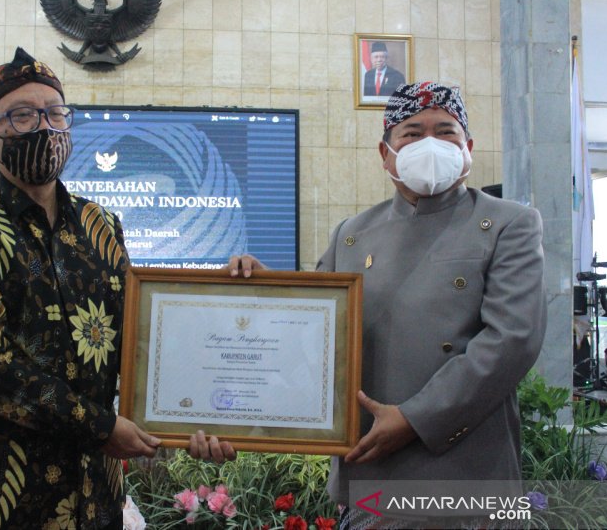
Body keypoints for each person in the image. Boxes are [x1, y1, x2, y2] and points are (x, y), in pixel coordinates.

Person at [0, 47, 233, 530]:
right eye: (22, 116)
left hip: (93, 492)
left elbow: (141, 339)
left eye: (55, 113)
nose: (44, 127)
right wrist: (100, 427)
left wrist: (236, 297)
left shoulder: (102, 225)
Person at [229, 82, 546, 528]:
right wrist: (258, 289)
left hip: (467, 478)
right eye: (412, 133)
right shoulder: (353, 233)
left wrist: (415, 419)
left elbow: (512, 340)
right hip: (372, 479)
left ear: (468, 147)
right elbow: (308, 324)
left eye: (446, 131)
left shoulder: (509, 224)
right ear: (386, 153)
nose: (430, 144)